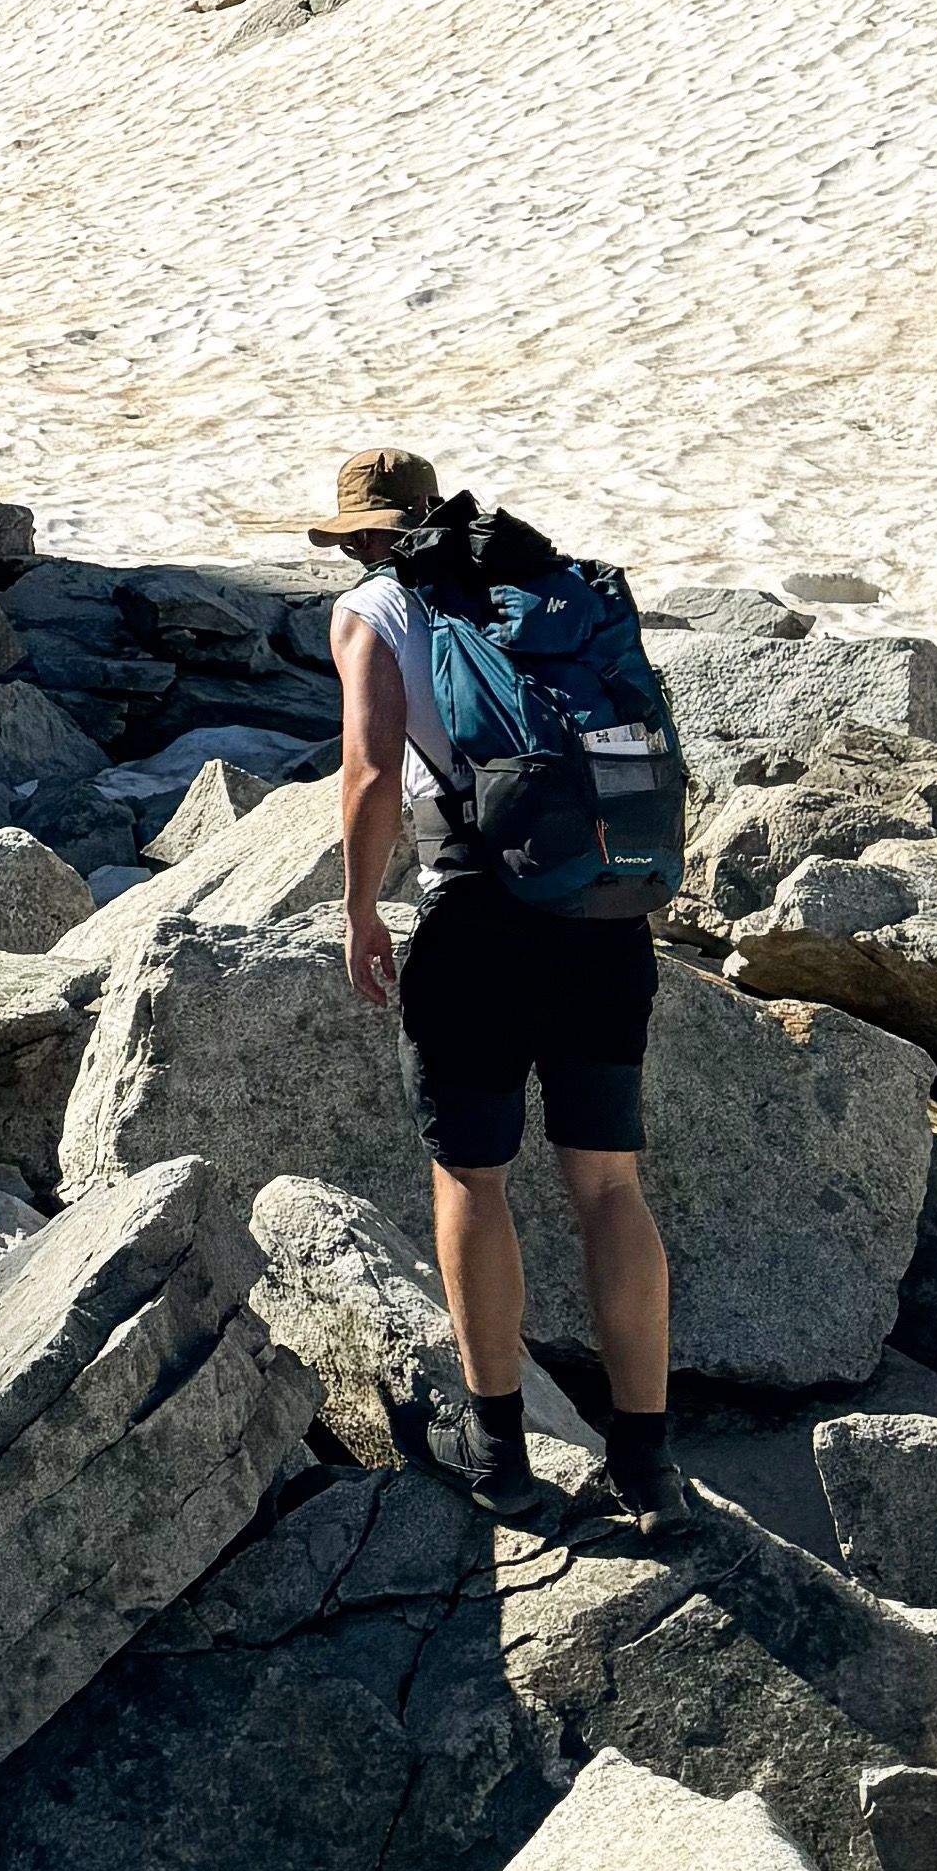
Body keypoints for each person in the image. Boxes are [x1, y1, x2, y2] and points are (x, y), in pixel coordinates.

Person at [321, 444, 688, 1540]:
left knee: (472, 1178)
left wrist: (359, 908)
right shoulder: (552, 595)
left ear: (363, 537)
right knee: (610, 1186)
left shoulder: (376, 609)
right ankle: (649, 1468)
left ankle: (501, 1457)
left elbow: (371, 769)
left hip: (480, 920)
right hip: (604, 915)